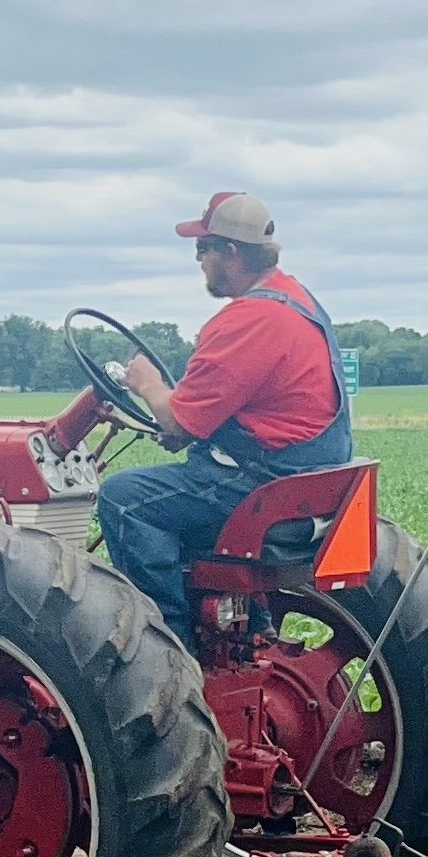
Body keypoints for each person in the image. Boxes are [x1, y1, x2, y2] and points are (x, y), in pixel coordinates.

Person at [96, 191, 352, 648]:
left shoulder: (246, 320)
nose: (199, 261)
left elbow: (176, 423)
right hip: (305, 480)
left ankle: (167, 648)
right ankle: (250, 628)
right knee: (177, 491)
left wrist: (149, 385)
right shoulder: (298, 301)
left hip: (264, 482)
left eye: (203, 249)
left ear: (230, 253)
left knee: (122, 499)